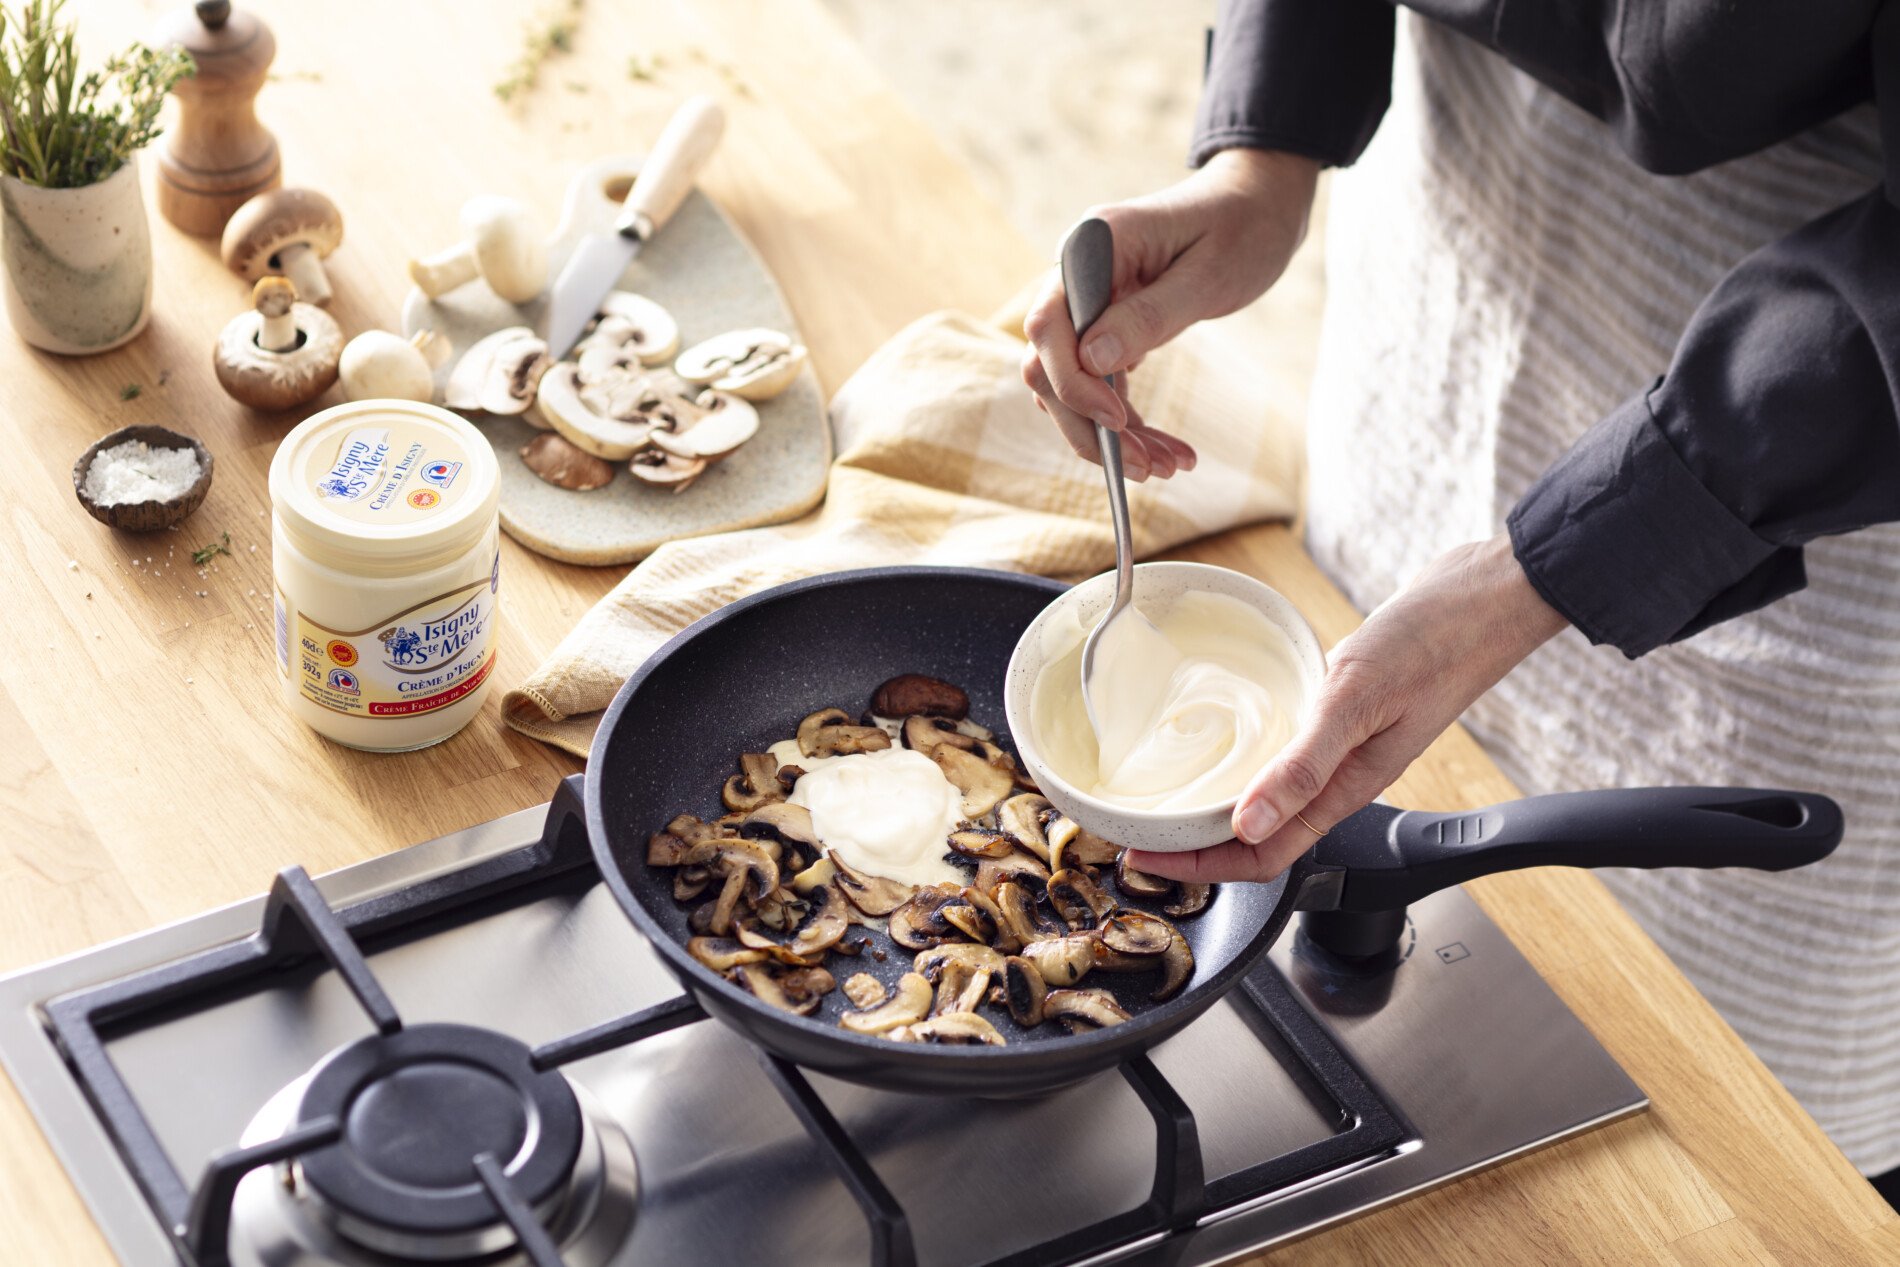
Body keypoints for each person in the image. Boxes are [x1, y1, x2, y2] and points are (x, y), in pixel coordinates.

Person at [1022, 0, 1900, 1199]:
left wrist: (1560, 555)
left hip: (1813, 446)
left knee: (1708, 1137)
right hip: (1441, 262)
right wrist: (1264, 155)